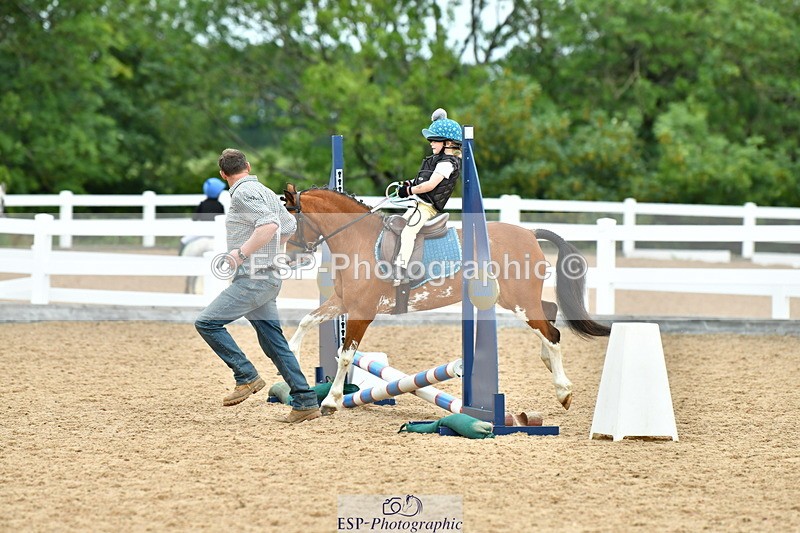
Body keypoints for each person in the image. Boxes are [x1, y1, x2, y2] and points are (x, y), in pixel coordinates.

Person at [194, 148, 321, 423]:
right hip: (268, 277)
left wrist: (241, 253)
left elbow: (270, 225)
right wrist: (274, 255)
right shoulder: (262, 190)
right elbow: (288, 224)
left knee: (207, 322)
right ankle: (306, 401)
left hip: (254, 278)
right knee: (274, 343)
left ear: (223, 174)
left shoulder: (242, 193)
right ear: (248, 166)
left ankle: (246, 376)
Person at [394, 108, 462, 283]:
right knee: (397, 226)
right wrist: (408, 184)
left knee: (409, 232)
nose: (431, 143)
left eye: (435, 140)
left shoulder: (447, 164)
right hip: (418, 203)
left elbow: (430, 185)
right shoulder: (435, 161)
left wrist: (408, 191)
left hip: (427, 207)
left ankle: (401, 269)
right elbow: (421, 179)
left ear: (447, 143)